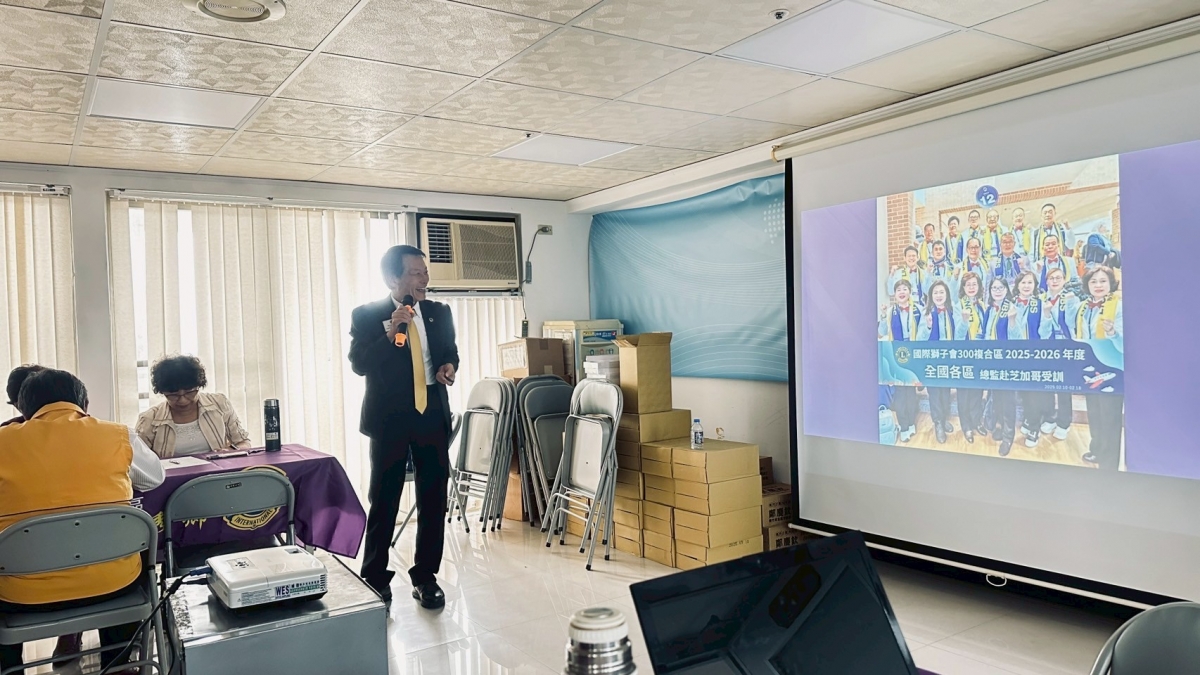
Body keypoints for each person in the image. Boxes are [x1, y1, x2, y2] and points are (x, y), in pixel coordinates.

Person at [0, 369, 165, 675]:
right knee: (135, 555)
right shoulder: (118, 434)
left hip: (21, 595)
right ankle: (118, 663)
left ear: (23, 409)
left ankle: (9, 668)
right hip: (114, 585)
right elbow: (154, 478)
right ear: (84, 404)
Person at [349, 245, 458, 609]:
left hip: (431, 414)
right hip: (389, 419)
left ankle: (425, 577)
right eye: (415, 273)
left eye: (425, 272)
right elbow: (360, 364)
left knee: (433, 499)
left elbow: (450, 351)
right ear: (392, 278)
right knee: (384, 499)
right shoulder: (367, 315)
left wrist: (448, 366)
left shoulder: (439, 312)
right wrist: (391, 332)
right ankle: (375, 578)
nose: (424, 279)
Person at [135, 355, 252, 458]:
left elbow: (243, 442)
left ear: (199, 386)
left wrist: (230, 451)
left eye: (189, 392)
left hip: (217, 473)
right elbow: (137, 460)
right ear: (163, 392)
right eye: (174, 395)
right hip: (171, 476)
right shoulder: (149, 419)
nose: (182, 400)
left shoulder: (219, 404)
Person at [1074, 267, 1124, 469]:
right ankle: (1097, 450)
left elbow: (1125, 344)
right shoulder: (1083, 307)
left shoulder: (1119, 306)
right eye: (1093, 281)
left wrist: (1113, 333)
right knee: (1094, 412)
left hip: (1112, 367)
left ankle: (1109, 465)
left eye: (1103, 281)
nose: (1098, 285)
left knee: (1110, 416)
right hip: (1089, 366)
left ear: (1111, 284)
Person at [1036, 267, 1080, 442]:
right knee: (1048, 383)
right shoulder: (1040, 300)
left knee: (1064, 385)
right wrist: (1046, 315)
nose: (1054, 281)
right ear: (1046, 281)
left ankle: (1064, 422)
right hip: (1047, 346)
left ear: (1064, 280)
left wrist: (1069, 304)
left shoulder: (1071, 298)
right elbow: (1040, 330)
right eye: (1051, 278)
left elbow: (1071, 323)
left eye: (1058, 278)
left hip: (1065, 345)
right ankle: (1049, 417)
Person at [981, 277, 1018, 457]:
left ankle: (1008, 436)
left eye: (1000, 287)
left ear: (1006, 289)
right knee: (996, 397)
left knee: (1008, 399)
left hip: (1007, 361)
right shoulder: (989, 309)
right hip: (992, 360)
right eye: (994, 288)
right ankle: (1001, 427)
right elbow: (986, 334)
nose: (997, 291)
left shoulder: (1011, 308)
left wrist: (1012, 321)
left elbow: (1017, 337)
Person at [879, 279, 920, 443]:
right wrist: (883, 316)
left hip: (913, 354)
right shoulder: (890, 312)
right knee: (900, 392)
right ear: (894, 294)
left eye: (905, 289)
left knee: (911, 391)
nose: (902, 292)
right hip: (896, 355)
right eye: (899, 290)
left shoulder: (918, 310)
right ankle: (904, 426)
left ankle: (911, 422)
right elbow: (882, 331)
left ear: (909, 292)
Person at [917, 280, 956, 444]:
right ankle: (938, 423)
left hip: (948, 358)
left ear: (946, 294)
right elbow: (919, 339)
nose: (939, 295)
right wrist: (927, 327)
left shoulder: (952, 311)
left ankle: (944, 418)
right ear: (931, 296)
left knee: (945, 391)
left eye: (941, 292)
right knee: (934, 392)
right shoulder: (926, 312)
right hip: (932, 359)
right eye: (935, 292)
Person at [1008, 272, 1045, 448]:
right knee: (1023, 392)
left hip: (1034, 355)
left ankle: (1034, 428)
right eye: (1023, 282)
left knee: (1034, 393)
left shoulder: (1040, 304)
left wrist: (1047, 316)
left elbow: (1045, 331)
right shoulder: (1010, 304)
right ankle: (1029, 420)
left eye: (1030, 282)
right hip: (1015, 354)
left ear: (1035, 285)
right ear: (1017, 285)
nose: (1026, 286)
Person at [955, 272, 987, 443]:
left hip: (979, 355)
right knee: (964, 392)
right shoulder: (958, 306)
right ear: (963, 288)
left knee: (977, 391)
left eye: (975, 284)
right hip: (964, 355)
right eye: (968, 285)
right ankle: (966, 425)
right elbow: (957, 336)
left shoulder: (982, 305)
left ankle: (976, 421)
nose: (972, 287)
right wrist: (964, 321)